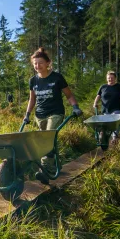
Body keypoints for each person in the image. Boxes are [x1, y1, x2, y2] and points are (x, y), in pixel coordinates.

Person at [23, 47, 82, 183]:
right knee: (46, 141)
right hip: (40, 115)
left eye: (40, 63)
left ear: (48, 63)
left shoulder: (57, 77)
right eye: (35, 64)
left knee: (47, 137)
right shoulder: (33, 81)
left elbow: (69, 95)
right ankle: (56, 164)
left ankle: (44, 170)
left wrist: (75, 107)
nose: (37, 66)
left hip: (55, 113)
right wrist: (27, 114)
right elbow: (32, 100)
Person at [93, 70, 120, 141]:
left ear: (115, 78)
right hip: (105, 109)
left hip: (116, 108)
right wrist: (95, 103)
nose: (110, 79)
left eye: (112, 78)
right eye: (108, 78)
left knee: (114, 120)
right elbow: (98, 96)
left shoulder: (119, 87)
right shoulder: (103, 87)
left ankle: (114, 137)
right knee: (104, 124)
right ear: (106, 79)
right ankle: (103, 135)